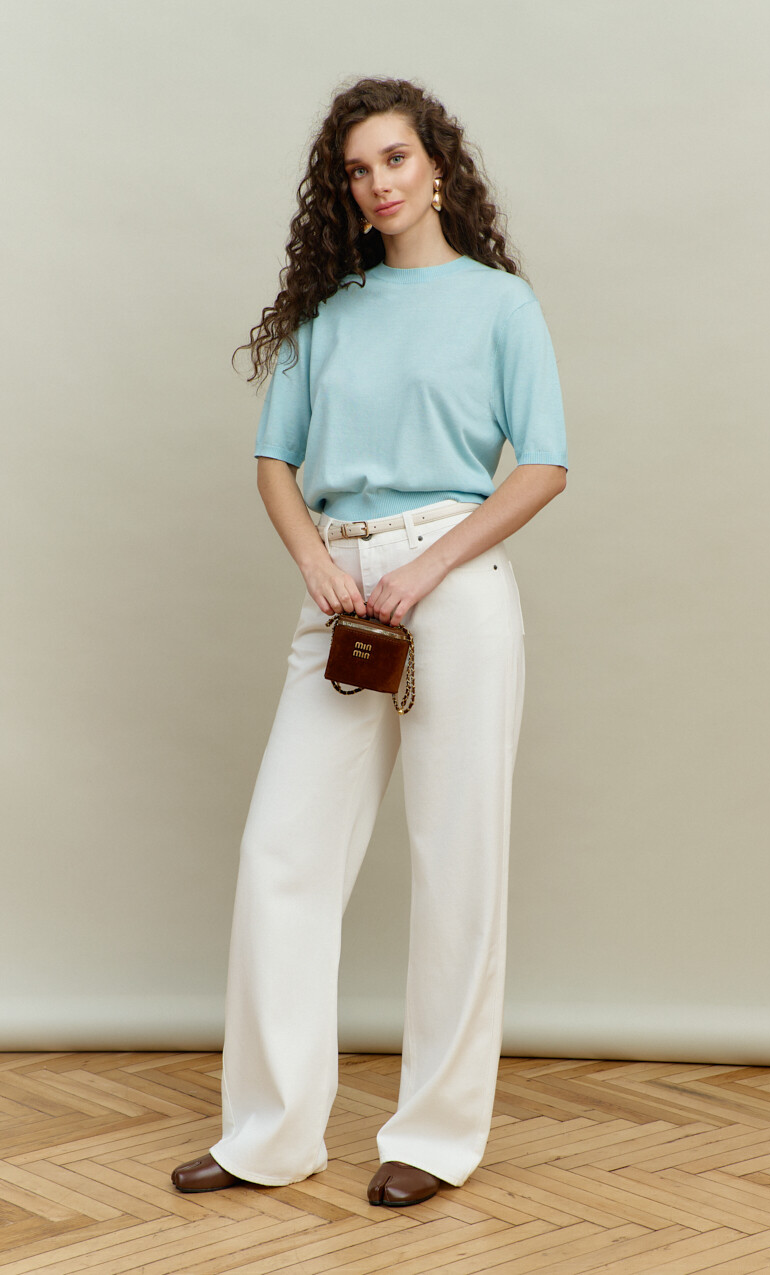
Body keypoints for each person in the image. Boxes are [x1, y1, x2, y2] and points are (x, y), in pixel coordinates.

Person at [171, 75, 567, 1208]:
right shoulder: (329, 310)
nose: (378, 182)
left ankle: (434, 1138)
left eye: (395, 158)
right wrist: (317, 565)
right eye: (356, 169)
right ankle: (269, 1134)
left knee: (457, 862)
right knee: (282, 853)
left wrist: (425, 570)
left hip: (453, 581)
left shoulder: (500, 305)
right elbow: (275, 463)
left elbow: (542, 464)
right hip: (341, 591)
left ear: (437, 167)